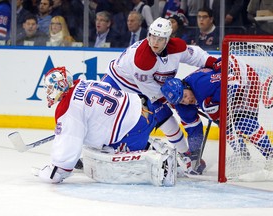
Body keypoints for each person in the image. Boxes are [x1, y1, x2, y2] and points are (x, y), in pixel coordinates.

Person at [101, 17, 218, 174]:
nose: (154, 42)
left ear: (167, 39)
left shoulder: (177, 47)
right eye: (152, 36)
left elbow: (195, 55)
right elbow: (150, 90)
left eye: (160, 38)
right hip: (118, 82)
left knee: (164, 116)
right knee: (106, 114)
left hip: (143, 85)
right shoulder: (143, 60)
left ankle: (185, 156)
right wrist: (174, 100)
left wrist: (214, 62)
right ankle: (92, 147)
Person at [35, 66, 177, 186]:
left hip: (134, 129)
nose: (48, 91)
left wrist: (57, 171)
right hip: (145, 109)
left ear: (58, 86)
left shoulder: (69, 108)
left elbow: (69, 142)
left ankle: (160, 159)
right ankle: (151, 147)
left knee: (113, 161)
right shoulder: (83, 83)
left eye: (49, 88)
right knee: (100, 142)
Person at [161, 55, 273, 161]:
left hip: (245, 78)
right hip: (227, 86)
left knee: (244, 122)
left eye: (185, 95)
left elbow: (232, 80)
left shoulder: (201, 84)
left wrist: (216, 101)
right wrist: (195, 155)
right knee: (224, 124)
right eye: (182, 100)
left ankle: (270, 155)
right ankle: (242, 154)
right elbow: (194, 131)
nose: (187, 101)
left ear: (186, 86)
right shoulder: (182, 106)